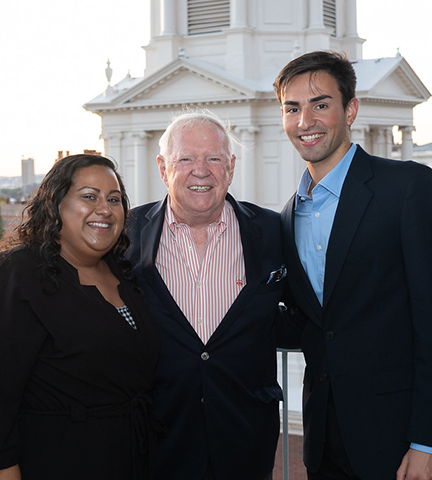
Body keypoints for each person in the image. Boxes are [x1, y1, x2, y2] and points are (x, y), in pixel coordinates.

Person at [274, 50, 432, 480]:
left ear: (350, 109)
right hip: (324, 442)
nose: (305, 121)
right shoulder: (290, 214)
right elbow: (313, 321)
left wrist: (431, 441)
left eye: (320, 104)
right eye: (293, 108)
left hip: (399, 443)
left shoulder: (407, 189)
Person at [0, 154, 162, 480]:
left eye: (114, 199)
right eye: (89, 196)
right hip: (51, 463)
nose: (104, 208)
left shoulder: (125, 273)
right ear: (55, 204)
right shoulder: (12, 276)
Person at [126, 111, 297, 479]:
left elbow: (305, 313)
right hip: (158, 442)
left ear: (231, 167)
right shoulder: (127, 235)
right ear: (162, 167)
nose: (200, 171)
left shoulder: (272, 231)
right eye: (185, 159)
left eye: (213, 158)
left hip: (247, 439)